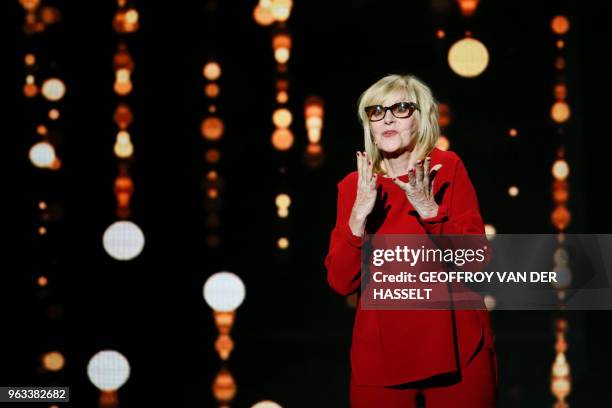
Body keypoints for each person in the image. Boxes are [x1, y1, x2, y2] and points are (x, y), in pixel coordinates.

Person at [324, 74, 498, 407]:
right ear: (369, 124)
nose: (386, 117)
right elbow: (340, 281)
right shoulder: (353, 186)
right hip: (380, 358)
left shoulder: (448, 168)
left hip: (458, 349)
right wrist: (358, 216)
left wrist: (430, 209)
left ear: (422, 118)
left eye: (401, 108)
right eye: (376, 111)